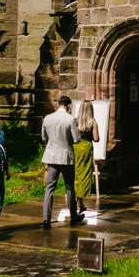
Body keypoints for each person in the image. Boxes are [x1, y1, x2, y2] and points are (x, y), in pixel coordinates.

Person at [41, 95, 82, 229]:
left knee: (49, 188)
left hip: (52, 156)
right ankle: (73, 216)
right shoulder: (70, 119)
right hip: (65, 156)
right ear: (69, 105)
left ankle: (46, 219)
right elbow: (76, 139)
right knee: (69, 186)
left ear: (58, 104)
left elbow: (44, 137)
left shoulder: (47, 118)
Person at [72, 103, 99, 216]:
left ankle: (74, 200)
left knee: (75, 174)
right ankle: (80, 202)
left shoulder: (74, 120)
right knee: (84, 175)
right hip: (87, 149)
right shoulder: (93, 122)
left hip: (75, 148)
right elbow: (96, 138)